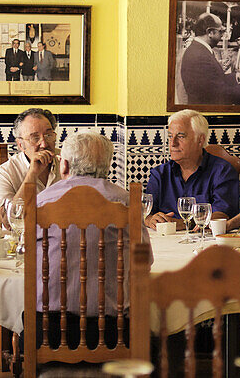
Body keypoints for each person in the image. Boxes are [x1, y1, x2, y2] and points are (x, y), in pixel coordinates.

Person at [35, 131, 152, 347]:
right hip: (113, 334)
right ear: (108, 166)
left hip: (47, 333)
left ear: (65, 165)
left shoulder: (42, 202)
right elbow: (145, 261)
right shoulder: (127, 202)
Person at [144, 110, 240, 226]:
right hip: (164, 240)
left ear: (200, 140)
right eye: (170, 136)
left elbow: (222, 215)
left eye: (180, 136)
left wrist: (182, 224)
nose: (173, 143)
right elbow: (145, 212)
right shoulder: (160, 174)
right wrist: (150, 220)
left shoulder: (223, 172)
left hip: (206, 241)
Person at [0, 108, 62, 228]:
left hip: (62, 240)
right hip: (20, 242)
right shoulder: (5, 172)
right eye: (35, 138)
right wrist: (32, 174)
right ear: (21, 145)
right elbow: (6, 220)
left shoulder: (68, 162)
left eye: (48, 135)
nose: (44, 144)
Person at [179, 12, 240, 106]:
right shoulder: (200, 56)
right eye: (220, 31)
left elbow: (211, 81)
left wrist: (236, 76)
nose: (222, 35)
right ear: (210, 32)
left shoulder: (198, 50)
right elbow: (221, 94)